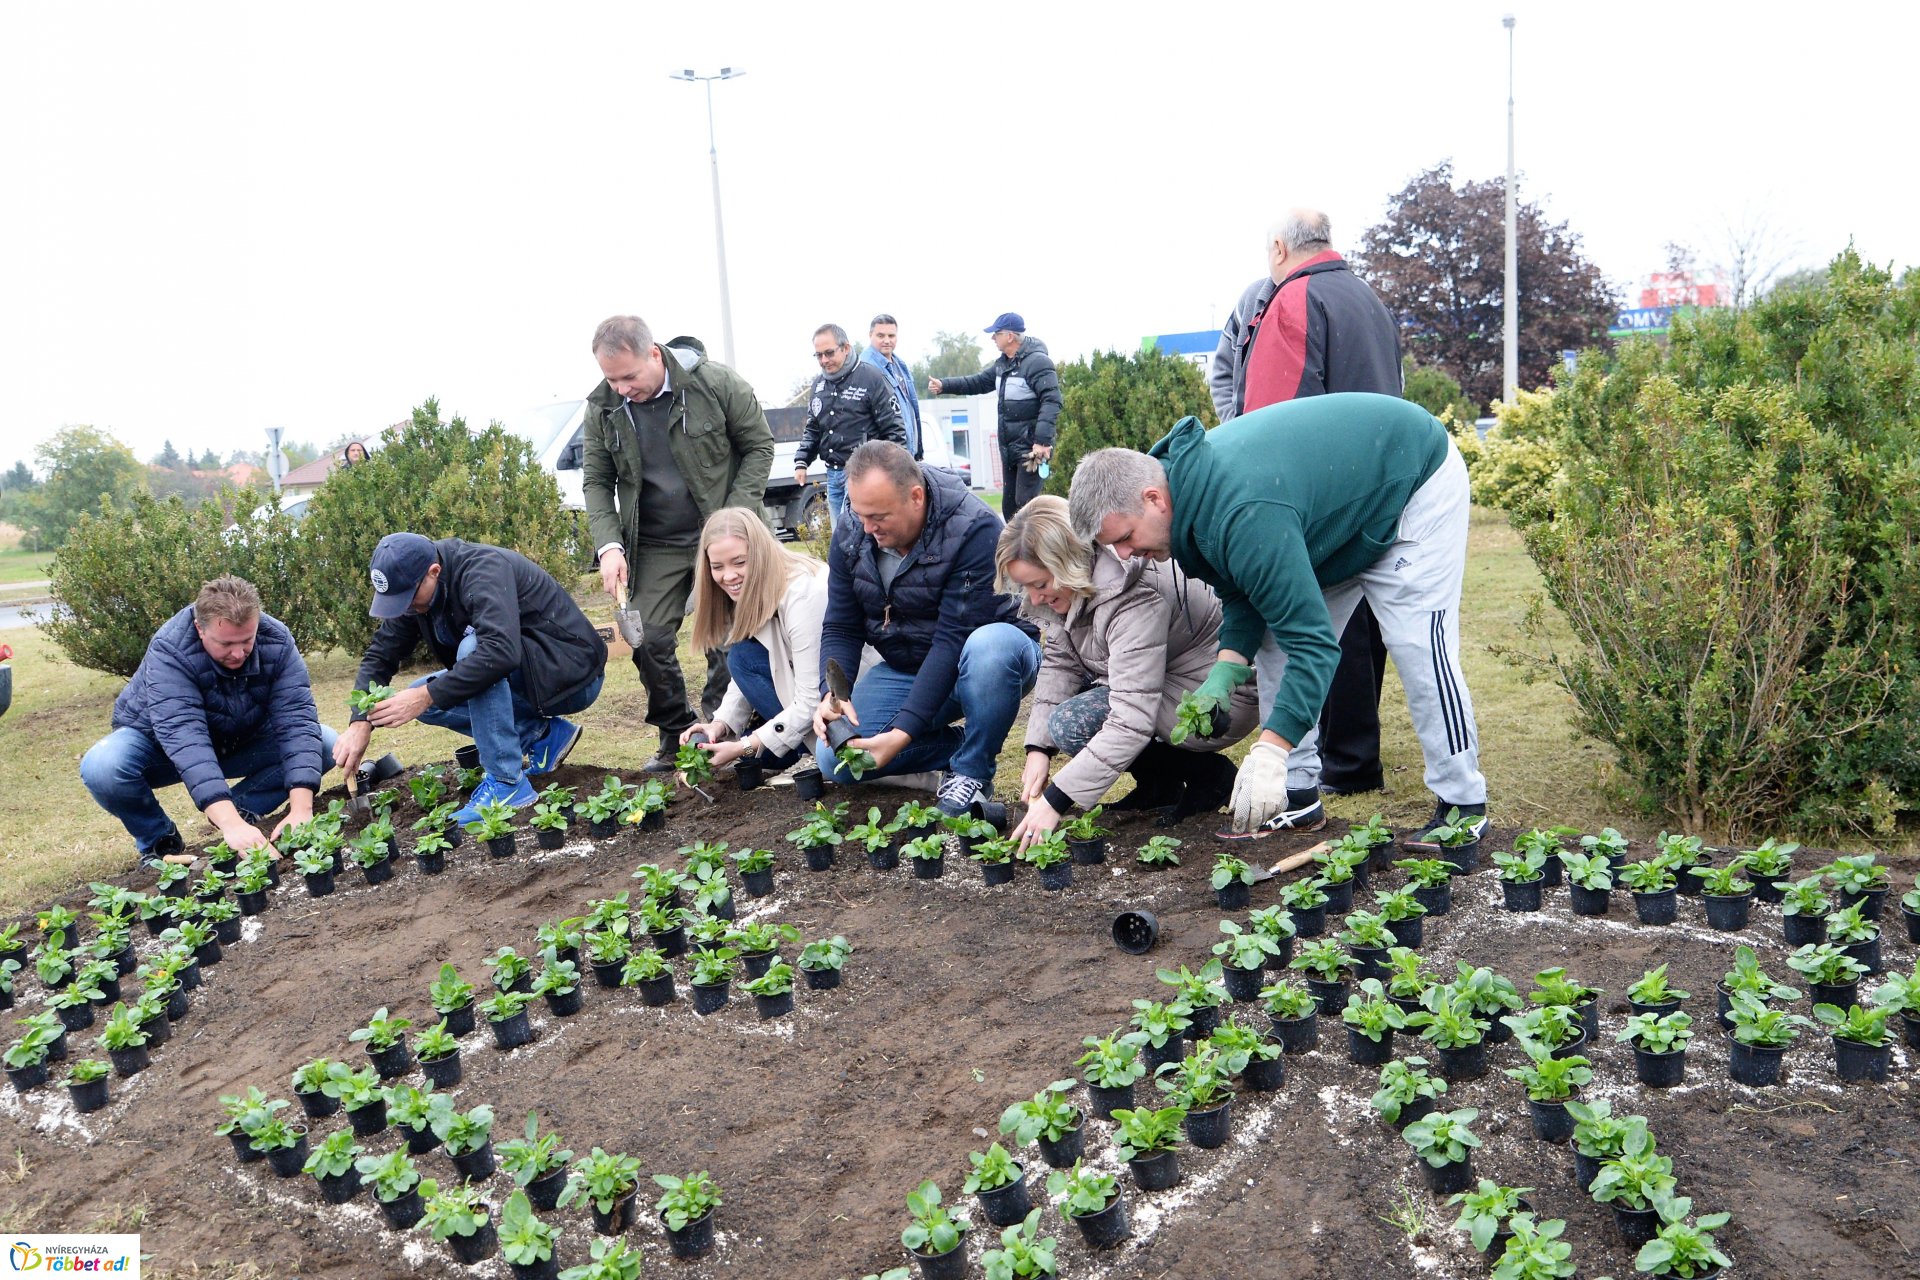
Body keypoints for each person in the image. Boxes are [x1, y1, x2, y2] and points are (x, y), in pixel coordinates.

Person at [1066, 394, 1486, 845]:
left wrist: (1272, 746)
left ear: (1153, 499)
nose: (1127, 555)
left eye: (1126, 538)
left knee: (1419, 644)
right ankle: (1296, 794)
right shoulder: (1188, 507)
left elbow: (1316, 645)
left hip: (1410, 478)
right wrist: (1226, 669)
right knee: (1272, 644)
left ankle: (1463, 803)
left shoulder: (1240, 511)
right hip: (1335, 514)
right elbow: (1245, 589)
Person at [1210, 209, 1406, 800]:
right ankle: (1353, 759)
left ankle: (1334, 764)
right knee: (1363, 624)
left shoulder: (1292, 300)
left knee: (1322, 621)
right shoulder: (1368, 297)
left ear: (1278, 247)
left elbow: (1279, 417)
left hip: (1322, 489)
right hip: (1377, 479)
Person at [996, 498, 1258, 848]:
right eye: (1026, 586)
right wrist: (1037, 750)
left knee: (1075, 722)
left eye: (1040, 584)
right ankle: (1157, 787)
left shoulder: (1133, 593)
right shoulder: (1078, 587)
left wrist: (1056, 799)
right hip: (1165, 685)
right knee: (1065, 721)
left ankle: (1209, 776)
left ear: (1068, 563)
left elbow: (1131, 717)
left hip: (1214, 702)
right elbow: (1062, 662)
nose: (1035, 598)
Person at [582, 314, 775, 771]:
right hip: (654, 542)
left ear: (654, 353)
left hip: (723, 534)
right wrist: (609, 546)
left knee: (732, 639)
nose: (622, 387)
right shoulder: (603, 406)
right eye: (612, 378)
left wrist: (736, 519)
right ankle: (674, 734)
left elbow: (759, 447)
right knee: (643, 634)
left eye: (629, 376)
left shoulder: (716, 384)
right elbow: (595, 479)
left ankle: (720, 734)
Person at [812, 441, 1041, 815]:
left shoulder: (972, 528)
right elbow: (841, 624)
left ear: (916, 497)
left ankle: (973, 770)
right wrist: (832, 696)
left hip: (985, 659)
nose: (867, 528)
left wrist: (901, 734)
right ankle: (963, 745)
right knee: (834, 760)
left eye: (879, 516)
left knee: (990, 646)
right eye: (859, 513)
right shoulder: (855, 529)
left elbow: (953, 640)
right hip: (908, 666)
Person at [334, 533, 607, 824]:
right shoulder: (414, 592)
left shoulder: (481, 570)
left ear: (433, 572)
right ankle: (543, 737)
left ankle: (507, 784)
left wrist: (426, 696)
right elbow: (380, 655)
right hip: (531, 679)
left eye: (407, 597)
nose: (403, 608)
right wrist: (360, 719)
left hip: (572, 676)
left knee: (469, 654)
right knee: (422, 694)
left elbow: (499, 652)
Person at [79, 575, 337, 865]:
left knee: (326, 743)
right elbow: (185, 737)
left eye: (247, 640)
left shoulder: (276, 639)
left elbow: (297, 721)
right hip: (162, 746)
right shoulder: (171, 649)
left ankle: (243, 811)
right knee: (103, 766)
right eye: (226, 643)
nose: (238, 653)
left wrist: (302, 810)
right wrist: (229, 824)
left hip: (240, 738)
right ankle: (159, 842)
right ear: (199, 628)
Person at [678, 507, 834, 773]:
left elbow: (811, 702)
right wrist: (721, 724)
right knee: (742, 657)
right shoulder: (754, 588)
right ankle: (788, 749)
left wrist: (744, 746)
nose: (729, 576)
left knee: (743, 661)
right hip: (805, 692)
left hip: (842, 707)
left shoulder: (803, 593)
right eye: (717, 567)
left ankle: (807, 751)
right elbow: (749, 668)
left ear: (760, 554)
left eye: (739, 562)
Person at [927, 312, 1061, 520]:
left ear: (1009, 336)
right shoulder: (1003, 365)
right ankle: (1012, 551)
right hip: (1009, 450)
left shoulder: (1038, 363)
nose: (992, 338)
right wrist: (945, 385)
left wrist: (1042, 441)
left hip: (1031, 449)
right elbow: (977, 382)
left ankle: (1033, 551)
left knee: (1026, 507)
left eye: (996, 334)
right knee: (1009, 508)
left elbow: (1051, 401)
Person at [793, 323, 908, 528]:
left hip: (864, 472)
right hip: (833, 474)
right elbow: (813, 427)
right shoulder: (819, 385)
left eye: (829, 353)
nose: (824, 360)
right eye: (818, 355)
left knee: (863, 534)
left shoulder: (871, 378)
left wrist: (893, 470)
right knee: (842, 538)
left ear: (845, 348)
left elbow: (894, 428)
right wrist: (802, 461)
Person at [859, 313, 923, 459]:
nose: (887, 341)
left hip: (905, 453)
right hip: (883, 458)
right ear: (870, 335)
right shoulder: (864, 367)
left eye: (891, 336)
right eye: (881, 336)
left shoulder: (900, 365)